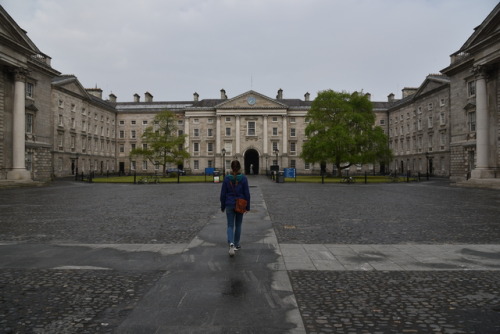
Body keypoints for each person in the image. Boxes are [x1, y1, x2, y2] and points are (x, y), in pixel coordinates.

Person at [220, 160, 251, 257]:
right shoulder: (244, 178)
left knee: (230, 225)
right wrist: (248, 206)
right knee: (238, 225)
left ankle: (231, 243)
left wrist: (222, 206)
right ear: (239, 168)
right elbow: (247, 194)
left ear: (231, 167)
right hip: (240, 204)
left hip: (229, 203)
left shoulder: (226, 179)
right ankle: (236, 244)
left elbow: (223, 194)